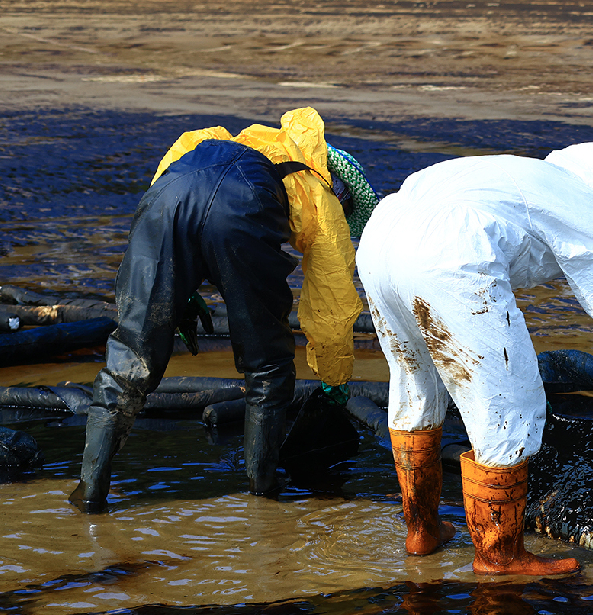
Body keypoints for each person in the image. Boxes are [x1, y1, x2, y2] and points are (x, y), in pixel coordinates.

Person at [357, 144, 593, 577]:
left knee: (415, 385)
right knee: (508, 403)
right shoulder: (583, 204)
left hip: (380, 240)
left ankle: (423, 532)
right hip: (447, 251)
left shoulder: (521, 175)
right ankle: (500, 557)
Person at [69, 107, 377, 513]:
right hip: (242, 206)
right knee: (267, 366)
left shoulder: (215, 140)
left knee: (130, 358)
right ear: (341, 188)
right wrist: (335, 381)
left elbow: (164, 192)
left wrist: (180, 289)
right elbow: (330, 304)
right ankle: (263, 497)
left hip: (169, 195)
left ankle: (89, 493)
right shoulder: (322, 199)